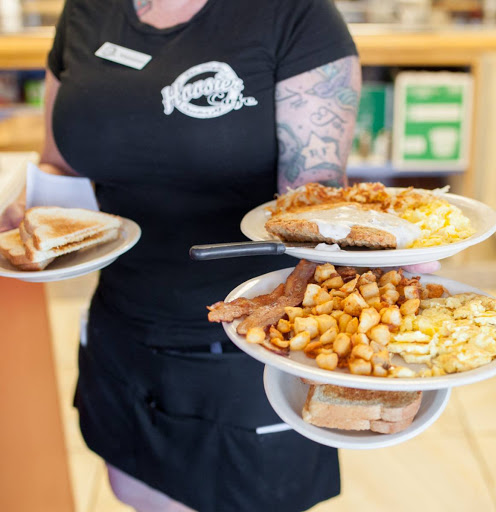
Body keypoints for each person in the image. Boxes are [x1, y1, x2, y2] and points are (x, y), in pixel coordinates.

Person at [0, 1, 438, 511]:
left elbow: (314, 205)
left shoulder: (296, 15)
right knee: (135, 492)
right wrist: (32, 210)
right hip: (119, 330)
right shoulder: (86, 9)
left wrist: (379, 262)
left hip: (247, 344)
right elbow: (60, 161)